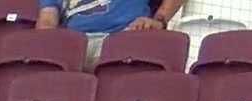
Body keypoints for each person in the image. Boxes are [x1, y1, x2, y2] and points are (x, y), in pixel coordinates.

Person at [35, 0, 180, 65]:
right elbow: (47, 19)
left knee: (108, 65)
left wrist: (158, 20)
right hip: (74, 42)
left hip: (123, 35)